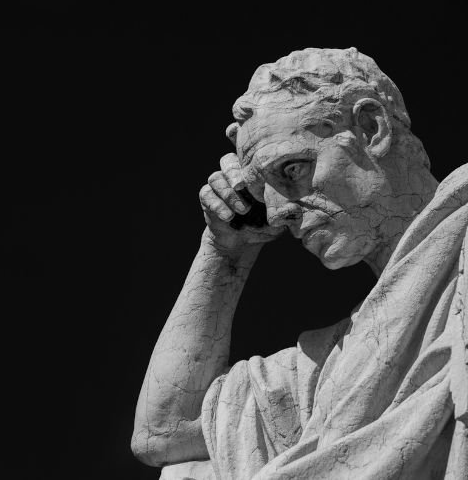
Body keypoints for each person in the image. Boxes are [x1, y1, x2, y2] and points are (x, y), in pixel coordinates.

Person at [131, 47, 467, 479]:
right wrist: (223, 250)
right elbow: (162, 433)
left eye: (291, 169)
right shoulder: (333, 366)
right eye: (262, 191)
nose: (275, 213)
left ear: (370, 129)